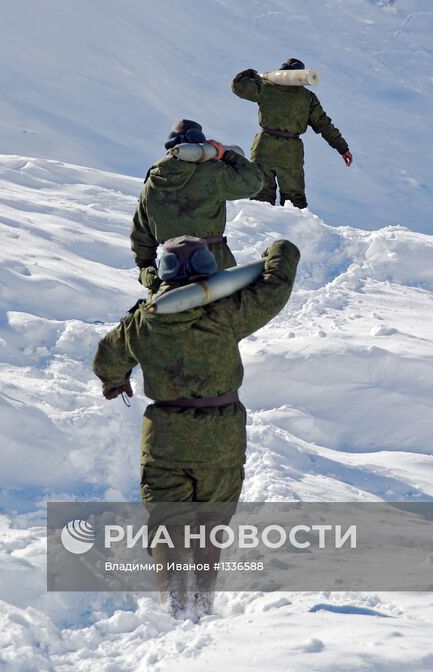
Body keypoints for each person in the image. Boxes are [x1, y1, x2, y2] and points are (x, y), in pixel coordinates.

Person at [93, 234, 300, 615]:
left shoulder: (142, 322)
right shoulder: (225, 314)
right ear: (208, 267)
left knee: (168, 521)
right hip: (221, 437)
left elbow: (106, 358)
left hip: (165, 437)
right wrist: (281, 249)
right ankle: (203, 603)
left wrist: (115, 380)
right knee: (211, 522)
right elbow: (276, 286)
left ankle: (173, 605)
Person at [131, 119, 264, 293]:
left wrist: (146, 268)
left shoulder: (153, 181)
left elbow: (141, 233)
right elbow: (254, 182)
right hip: (214, 260)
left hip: (172, 268)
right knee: (223, 316)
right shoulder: (212, 173)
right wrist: (225, 154)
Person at [231, 59, 352, 208]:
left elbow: (238, 86)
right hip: (291, 152)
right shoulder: (307, 98)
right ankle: (295, 230)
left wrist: (249, 73)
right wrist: (343, 148)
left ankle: (260, 230)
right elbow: (324, 125)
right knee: (294, 200)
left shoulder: (266, 87)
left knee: (260, 196)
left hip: (263, 146)